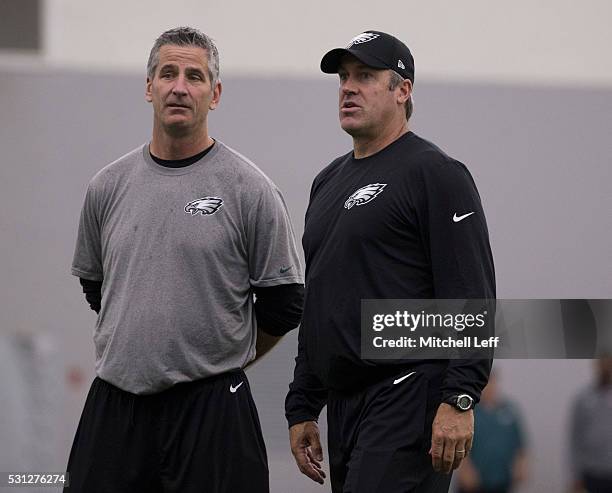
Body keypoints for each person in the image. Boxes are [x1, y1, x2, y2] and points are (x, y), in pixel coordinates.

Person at [67, 26, 304, 493]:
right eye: (168, 73)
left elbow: (284, 304)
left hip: (211, 412)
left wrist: (214, 356)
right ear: (148, 86)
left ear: (214, 94)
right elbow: (97, 288)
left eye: (194, 77)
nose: (179, 86)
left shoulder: (248, 189)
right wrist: (148, 346)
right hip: (115, 406)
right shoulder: (106, 187)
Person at [285, 30, 496, 492]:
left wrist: (460, 397)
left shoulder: (435, 173)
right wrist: (302, 403)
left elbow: (471, 294)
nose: (347, 87)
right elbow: (319, 300)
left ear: (403, 90)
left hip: (407, 391)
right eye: (343, 77)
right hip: (346, 403)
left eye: (365, 76)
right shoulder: (327, 183)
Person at [456, 372, 528, 493]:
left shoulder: (509, 410)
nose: (489, 387)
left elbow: (520, 444)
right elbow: (458, 442)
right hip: (473, 483)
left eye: (492, 382)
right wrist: (464, 469)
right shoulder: (469, 411)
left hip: (502, 481)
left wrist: (521, 466)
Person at [568, 355, 612, 493]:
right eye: (602, 363)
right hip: (592, 472)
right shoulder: (584, 398)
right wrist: (574, 475)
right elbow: (575, 438)